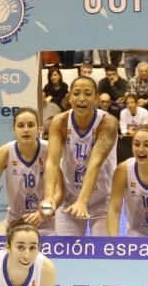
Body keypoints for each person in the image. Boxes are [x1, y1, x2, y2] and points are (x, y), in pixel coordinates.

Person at [44, 76, 119, 236]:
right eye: (76, 93)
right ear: (69, 97)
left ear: (97, 99)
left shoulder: (108, 123)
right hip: (70, 198)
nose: (82, 98)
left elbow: (95, 163)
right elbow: (52, 162)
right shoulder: (60, 122)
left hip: (103, 201)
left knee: (102, 256)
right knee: (65, 255)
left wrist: (83, 201)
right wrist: (49, 196)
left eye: (87, 93)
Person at [0, 108, 54, 236]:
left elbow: (59, 191)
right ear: (14, 129)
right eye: (20, 125)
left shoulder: (49, 149)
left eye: (30, 125)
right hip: (16, 222)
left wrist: (42, 213)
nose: (25, 130)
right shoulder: (5, 152)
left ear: (39, 129)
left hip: (46, 221)